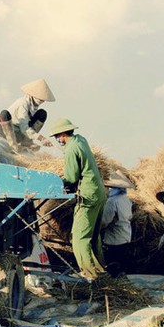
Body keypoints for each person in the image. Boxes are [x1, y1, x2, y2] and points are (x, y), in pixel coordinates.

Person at [50, 118, 107, 281]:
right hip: (99, 192)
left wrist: (59, 181)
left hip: (87, 195)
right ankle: (100, 270)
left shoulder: (71, 149)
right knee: (94, 235)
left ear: (62, 134)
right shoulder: (81, 140)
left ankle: (89, 275)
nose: (57, 140)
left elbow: (72, 176)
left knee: (79, 237)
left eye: (57, 137)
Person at [0, 78, 56, 152]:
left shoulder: (33, 106)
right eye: (40, 99)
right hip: (7, 133)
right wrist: (41, 138)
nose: (42, 101)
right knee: (4, 113)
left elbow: (26, 125)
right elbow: (24, 127)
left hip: (19, 133)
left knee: (42, 114)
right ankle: (13, 147)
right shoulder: (22, 104)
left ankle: (26, 142)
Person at [100, 170, 135, 277]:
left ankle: (114, 282)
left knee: (113, 263)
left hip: (114, 238)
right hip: (125, 235)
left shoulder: (112, 201)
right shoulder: (126, 199)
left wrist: (97, 228)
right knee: (122, 261)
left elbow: (105, 221)